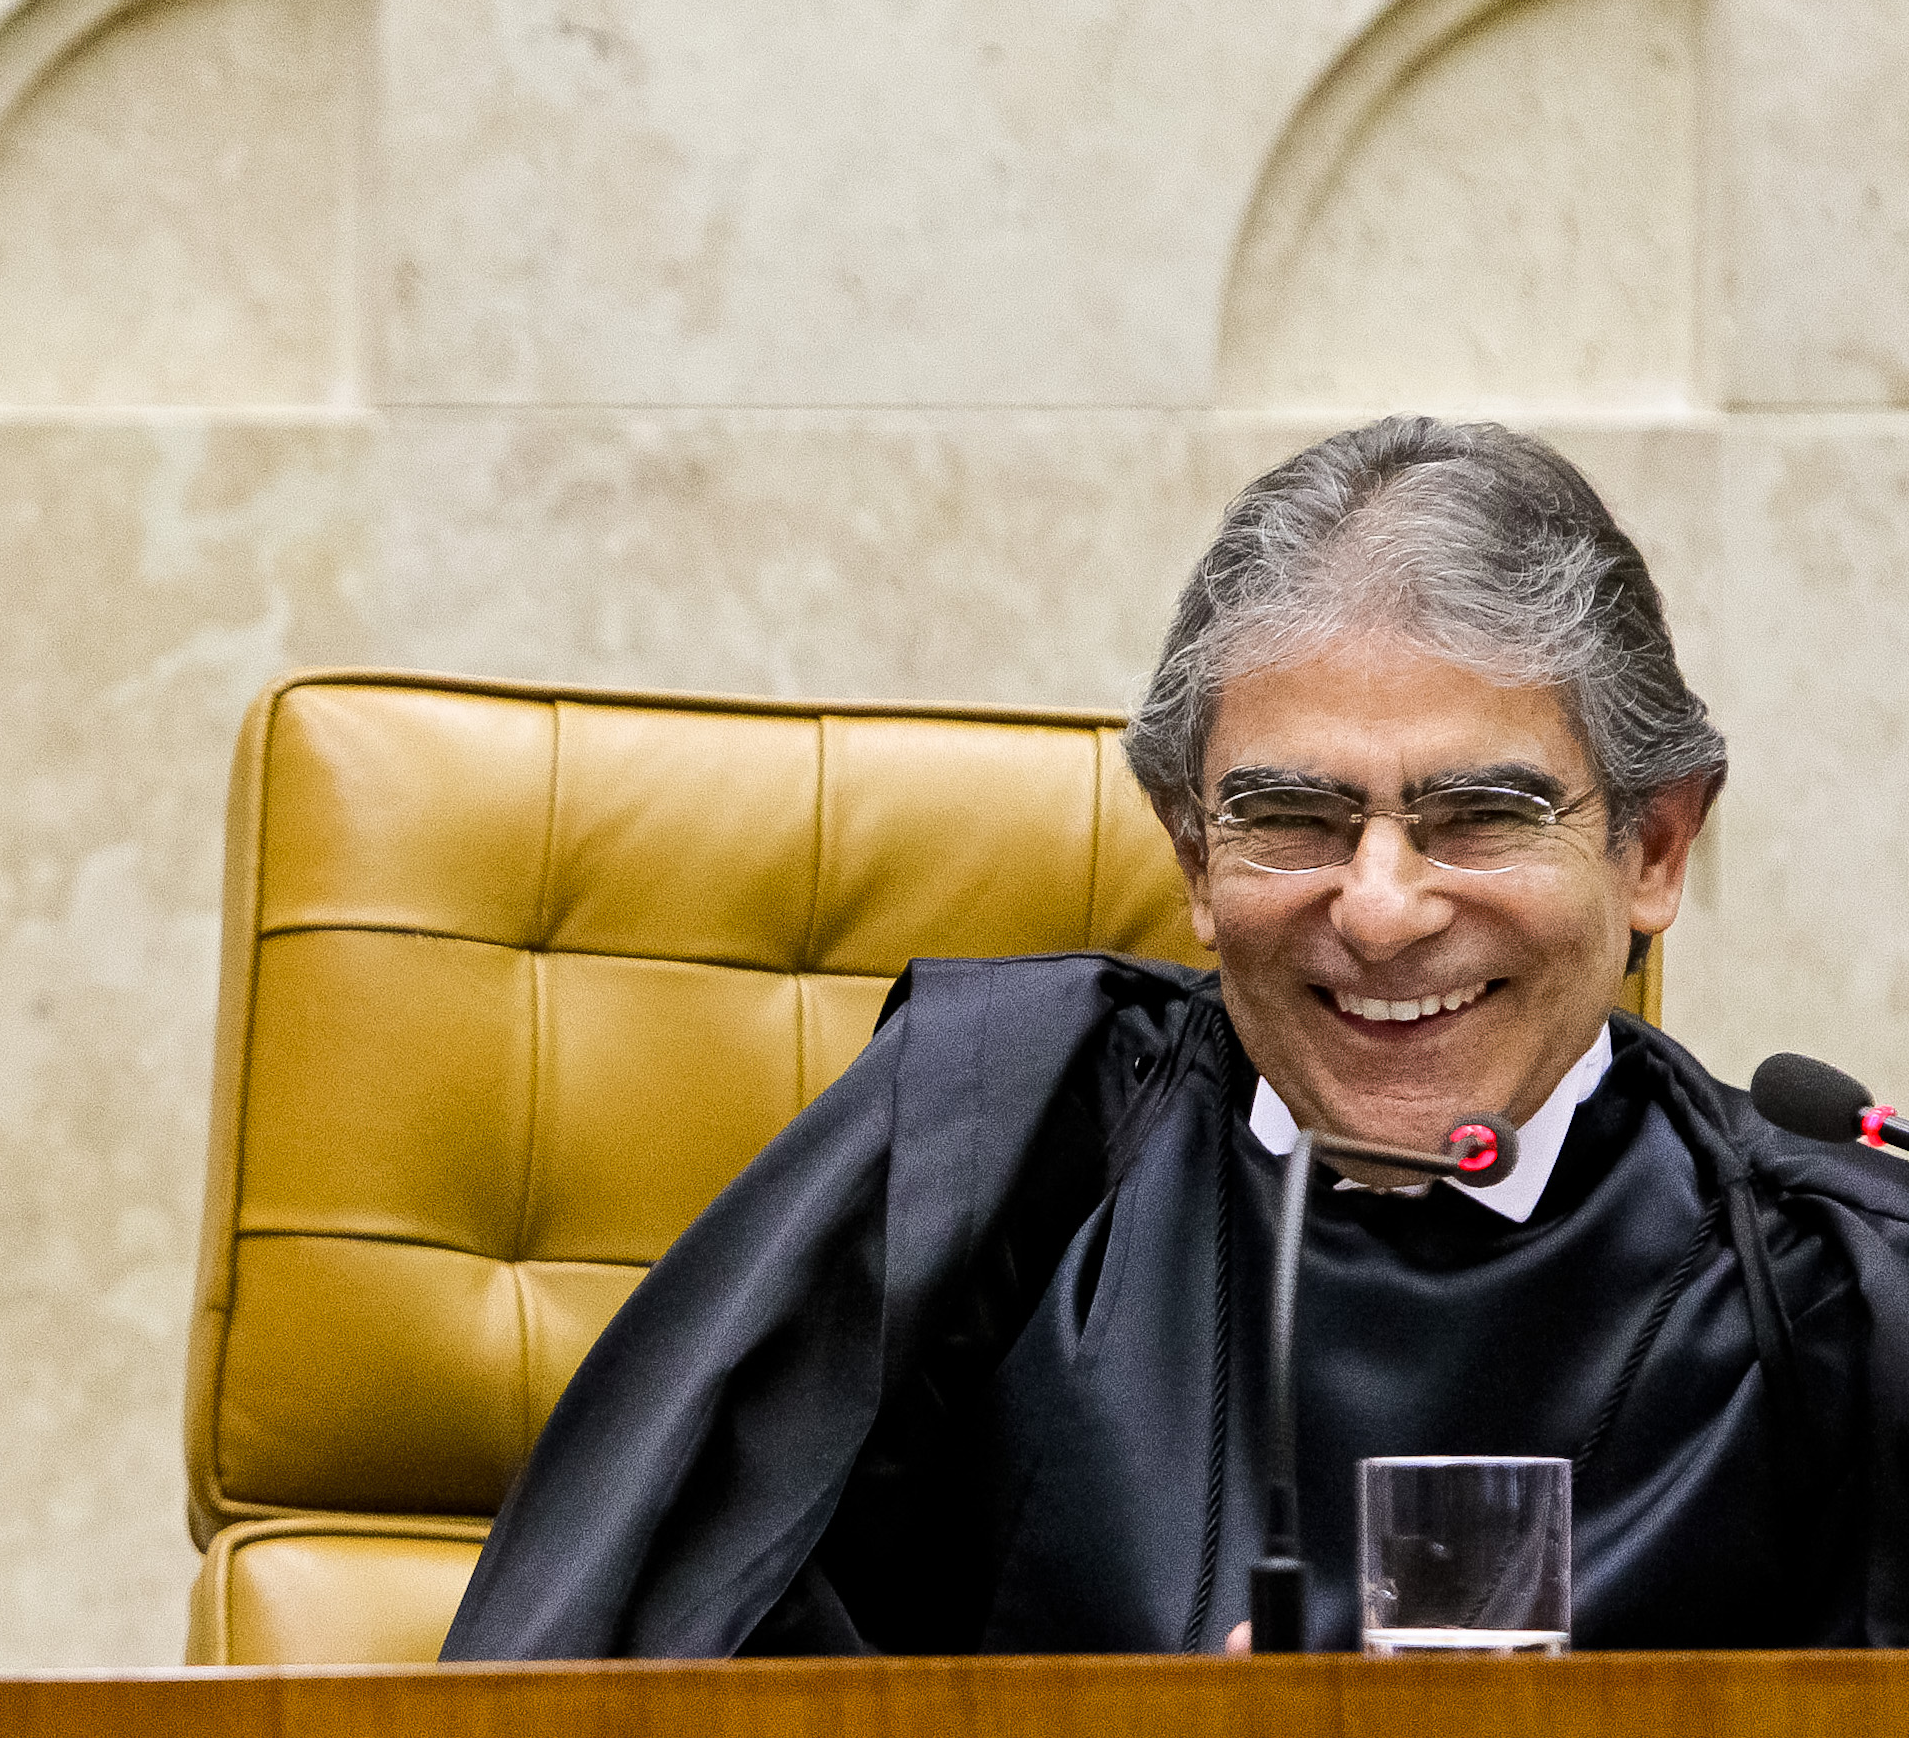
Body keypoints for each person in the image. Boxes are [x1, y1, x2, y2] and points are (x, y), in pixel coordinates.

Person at [445, 416, 1909, 1662]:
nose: (1381, 907)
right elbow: (611, 1717)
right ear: (1191, 858)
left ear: (1652, 847)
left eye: (1478, 815)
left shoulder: (1829, 1287)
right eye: (1291, 819)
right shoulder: (996, 1155)